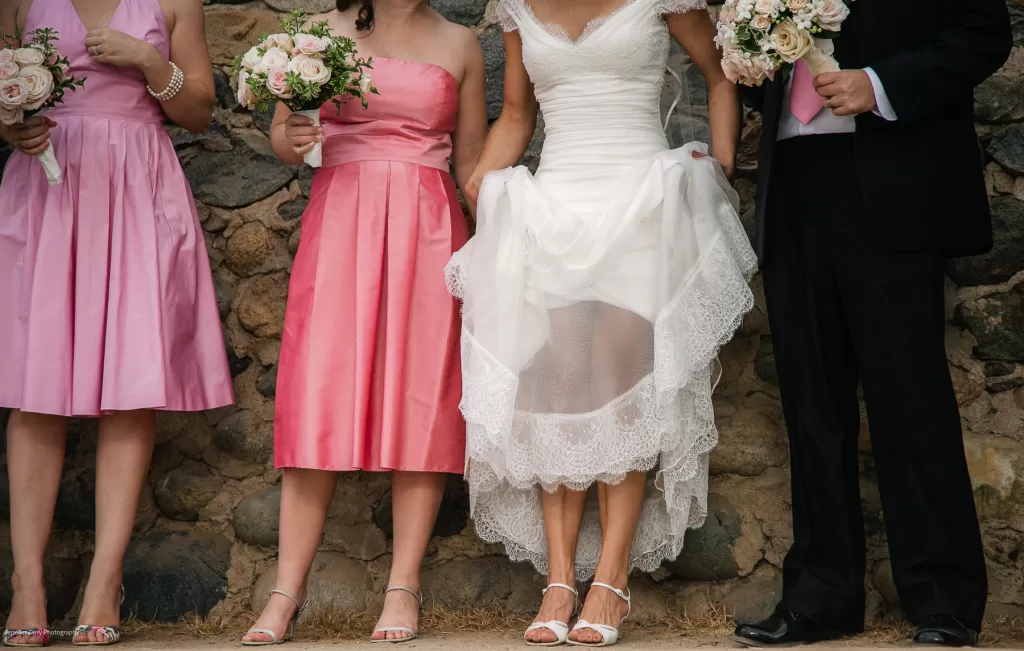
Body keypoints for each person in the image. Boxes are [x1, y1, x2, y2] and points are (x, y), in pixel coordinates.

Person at [445, 0, 757, 645]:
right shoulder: (516, 6)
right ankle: (560, 582)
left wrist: (721, 161)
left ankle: (611, 582)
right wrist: (480, 186)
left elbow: (719, 72)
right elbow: (518, 114)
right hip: (558, 201)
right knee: (557, 379)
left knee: (621, 371)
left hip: (641, 199)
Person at [731, 0, 1012, 647]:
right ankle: (821, 596)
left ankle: (943, 597)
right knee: (809, 398)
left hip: (894, 173)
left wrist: (879, 84)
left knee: (909, 393)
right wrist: (750, 58)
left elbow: (984, 33)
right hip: (794, 182)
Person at [239, 0, 487, 645]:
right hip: (341, 215)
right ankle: (285, 591)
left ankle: (403, 585)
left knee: (421, 393)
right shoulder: (317, 35)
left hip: (429, 225)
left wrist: (511, 226)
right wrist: (293, 138)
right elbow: (284, 138)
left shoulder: (460, 42)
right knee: (317, 388)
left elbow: (471, 163)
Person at [0, 0, 234, 647]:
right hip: (47, 189)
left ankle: (105, 580)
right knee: (36, 389)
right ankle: (26, 584)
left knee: (130, 387)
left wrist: (151, 62)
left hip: (136, 187)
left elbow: (199, 111)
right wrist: (11, 127)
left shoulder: (175, 2)